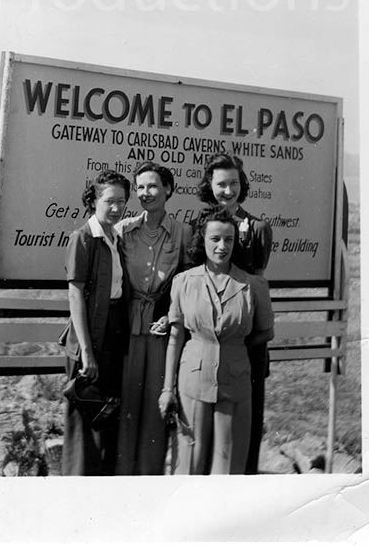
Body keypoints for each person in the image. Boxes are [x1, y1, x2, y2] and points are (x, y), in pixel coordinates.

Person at [158, 206, 274, 474]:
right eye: (215, 239)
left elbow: (266, 332)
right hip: (192, 381)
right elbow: (175, 337)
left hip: (235, 383)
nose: (222, 246)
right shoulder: (184, 282)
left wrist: (233, 347)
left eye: (229, 240)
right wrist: (167, 389)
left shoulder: (253, 286)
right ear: (203, 241)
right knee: (189, 461)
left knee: (228, 463)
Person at [195, 152, 273, 473]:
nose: (228, 190)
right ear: (209, 185)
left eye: (234, 183)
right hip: (208, 337)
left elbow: (258, 283)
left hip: (245, 337)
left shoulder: (257, 228)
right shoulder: (199, 225)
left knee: (245, 419)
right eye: (220, 184)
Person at [114, 162, 192, 475]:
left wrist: (169, 314)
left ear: (168, 190)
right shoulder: (124, 230)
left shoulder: (183, 233)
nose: (146, 193)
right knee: (127, 403)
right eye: (141, 187)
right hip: (127, 326)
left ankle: (150, 477)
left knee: (155, 406)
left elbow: (187, 282)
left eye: (153, 186)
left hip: (162, 330)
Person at [61, 170, 131, 475]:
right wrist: (86, 353)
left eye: (122, 202)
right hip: (88, 340)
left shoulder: (115, 237)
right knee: (83, 427)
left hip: (112, 337)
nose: (116, 208)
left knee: (104, 419)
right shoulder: (84, 238)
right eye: (110, 201)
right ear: (94, 200)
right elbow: (75, 297)